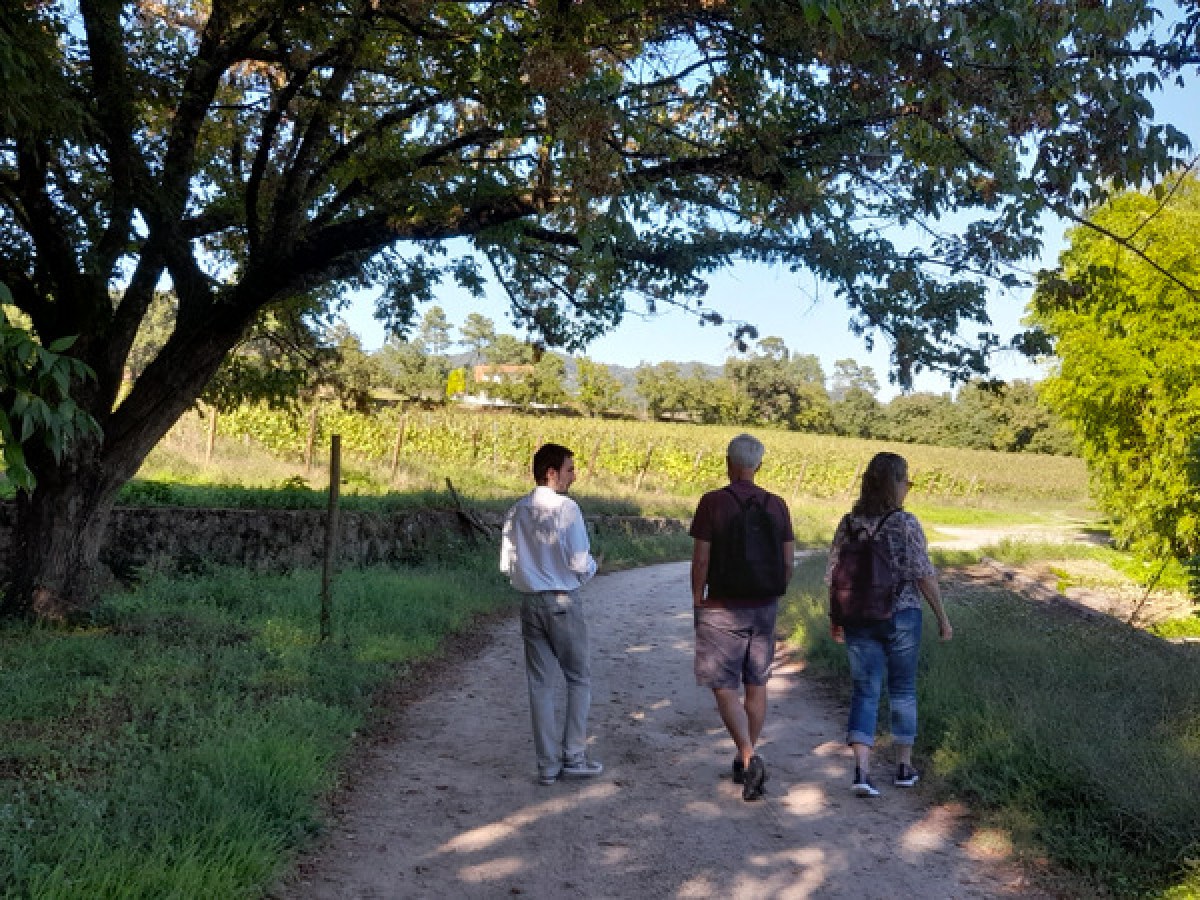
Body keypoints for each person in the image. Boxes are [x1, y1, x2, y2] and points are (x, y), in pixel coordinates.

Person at [826, 451, 953, 798]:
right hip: (902, 615)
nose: (907, 489)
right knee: (902, 689)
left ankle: (862, 773)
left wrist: (835, 618)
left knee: (865, 691)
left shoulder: (849, 523)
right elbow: (923, 575)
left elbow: (833, 576)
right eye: (906, 481)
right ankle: (903, 767)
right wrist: (943, 618)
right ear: (894, 484)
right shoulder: (905, 523)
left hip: (858, 616)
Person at [690, 433, 794, 802]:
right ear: (758, 465)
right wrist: (773, 593)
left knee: (723, 685)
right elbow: (786, 562)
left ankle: (749, 757)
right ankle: (743, 755)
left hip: (722, 605)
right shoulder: (777, 505)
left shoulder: (713, 503)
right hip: (764, 605)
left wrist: (697, 595)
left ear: (728, 462)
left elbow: (701, 557)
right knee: (757, 684)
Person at [500, 442, 604, 786]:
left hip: (529, 602)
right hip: (562, 601)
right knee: (579, 677)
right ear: (552, 473)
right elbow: (578, 562)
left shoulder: (517, 511)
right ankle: (574, 756)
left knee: (540, 684)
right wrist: (592, 569)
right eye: (570, 469)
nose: (574, 476)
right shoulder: (567, 509)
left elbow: (507, 564)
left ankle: (547, 765)